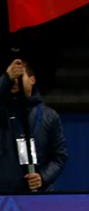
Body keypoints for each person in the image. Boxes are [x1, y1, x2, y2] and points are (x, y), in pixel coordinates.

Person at [0, 59, 68, 194]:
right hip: (4, 196)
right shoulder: (2, 112)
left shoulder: (49, 116)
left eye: (20, 76)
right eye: (13, 77)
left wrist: (43, 177)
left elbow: (59, 157)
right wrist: (6, 78)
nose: (15, 81)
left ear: (32, 80)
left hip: (38, 195)